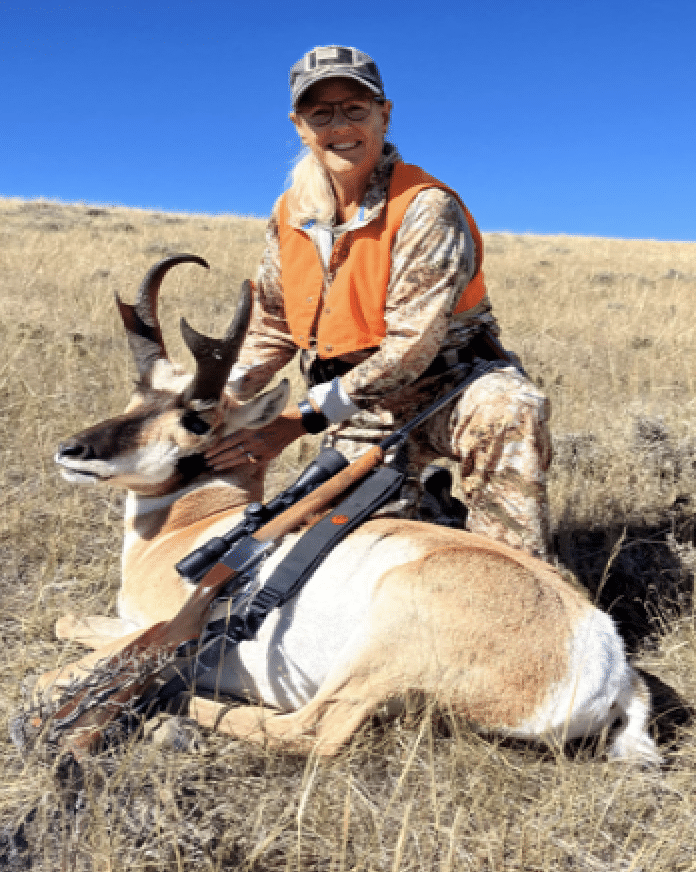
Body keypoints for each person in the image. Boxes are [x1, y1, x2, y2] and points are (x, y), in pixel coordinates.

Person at [206, 45, 552, 558]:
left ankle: (521, 572)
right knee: (335, 552)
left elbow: (410, 350)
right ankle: (430, 511)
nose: (340, 125)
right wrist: (223, 397)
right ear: (300, 126)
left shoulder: (426, 207)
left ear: (384, 115)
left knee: (507, 410)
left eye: (355, 108)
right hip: (360, 407)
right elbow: (274, 323)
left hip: (450, 389)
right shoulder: (292, 214)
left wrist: (297, 422)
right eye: (320, 112)